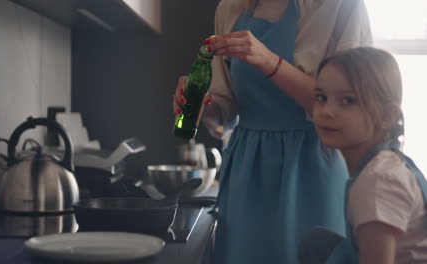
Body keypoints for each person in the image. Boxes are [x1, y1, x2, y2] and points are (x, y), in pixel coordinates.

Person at [173, 0, 372, 263]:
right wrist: (202, 104)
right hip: (248, 170)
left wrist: (270, 62)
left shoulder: (342, 6)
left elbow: (350, 108)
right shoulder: (230, 9)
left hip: (313, 169)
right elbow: (226, 109)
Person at [304, 46, 427, 264]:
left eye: (347, 101)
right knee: (316, 242)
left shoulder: (378, 181)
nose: (327, 111)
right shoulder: (387, 163)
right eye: (321, 97)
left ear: (387, 116)